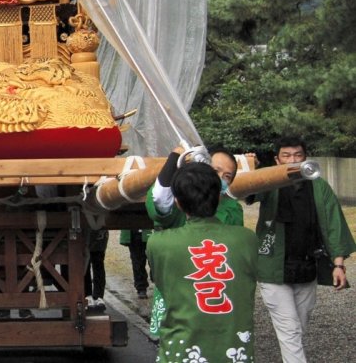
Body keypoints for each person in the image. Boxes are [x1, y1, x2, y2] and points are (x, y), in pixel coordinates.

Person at [249, 136, 356, 363]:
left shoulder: (318, 185)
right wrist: (252, 169)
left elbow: (334, 224)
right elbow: (246, 191)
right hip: (273, 268)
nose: (292, 160)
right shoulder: (268, 182)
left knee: (298, 325)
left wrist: (338, 264)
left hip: (307, 267)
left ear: (306, 158)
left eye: (297, 155)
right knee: (290, 328)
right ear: (277, 159)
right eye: (286, 156)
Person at [147, 162, 258, 363]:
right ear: (218, 196)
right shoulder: (247, 239)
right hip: (233, 351)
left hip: (181, 348)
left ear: (178, 203)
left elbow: (160, 281)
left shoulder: (159, 243)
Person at [146, 146, 243, 338]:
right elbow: (159, 200)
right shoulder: (178, 200)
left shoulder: (232, 208)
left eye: (227, 176)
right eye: (216, 171)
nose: (220, 178)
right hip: (179, 290)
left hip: (215, 286)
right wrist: (174, 156)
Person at [120, 229, 151, 298]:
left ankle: (159, 284)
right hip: (134, 233)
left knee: (154, 262)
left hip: (150, 233)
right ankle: (141, 288)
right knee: (137, 262)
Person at [84, 228, 108, 311]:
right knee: (85, 264)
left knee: (98, 262)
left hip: (99, 231)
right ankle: (88, 295)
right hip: (85, 230)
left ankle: (98, 296)